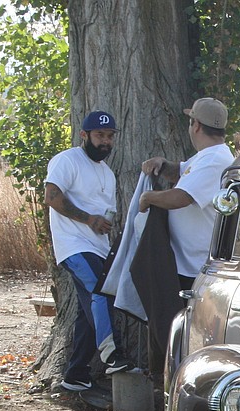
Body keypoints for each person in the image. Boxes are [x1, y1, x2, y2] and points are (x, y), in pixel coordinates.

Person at [44, 110, 137, 392]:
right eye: (99, 136)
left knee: (88, 312)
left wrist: (104, 225)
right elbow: (52, 197)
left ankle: (76, 375)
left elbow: (103, 214)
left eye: (110, 137)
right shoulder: (67, 160)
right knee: (99, 292)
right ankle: (112, 355)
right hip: (73, 245)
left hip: (98, 247)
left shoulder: (107, 174)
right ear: (84, 135)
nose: (105, 142)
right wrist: (89, 220)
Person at [138, 97, 236, 289]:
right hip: (188, 263)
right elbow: (182, 172)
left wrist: (147, 198)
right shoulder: (209, 155)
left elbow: (181, 197)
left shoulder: (214, 159)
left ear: (197, 125)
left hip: (197, 268)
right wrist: (163, 164)